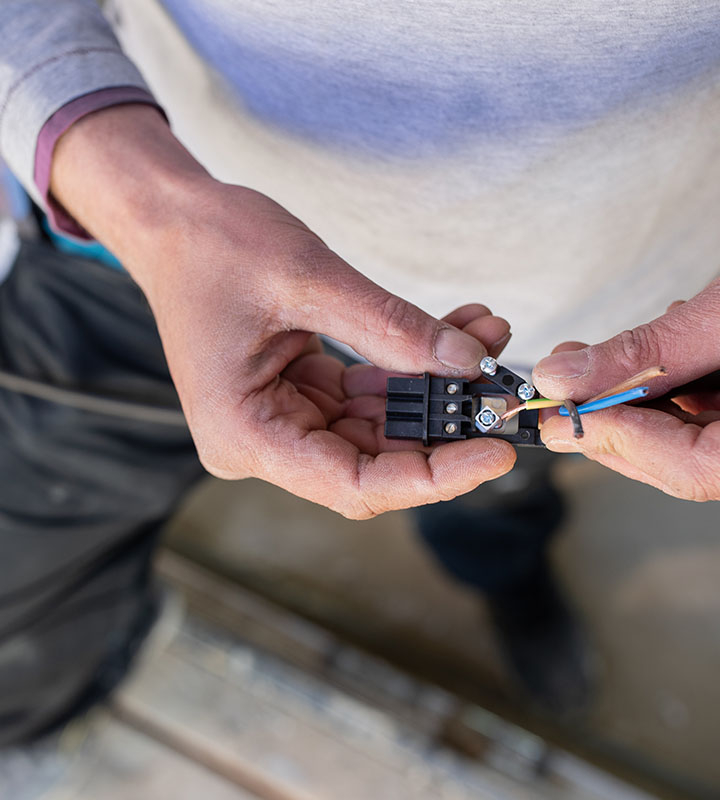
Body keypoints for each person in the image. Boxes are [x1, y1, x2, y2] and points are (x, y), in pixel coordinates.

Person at [1, 0, 718, 753]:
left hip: (588, 305)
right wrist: (146, 205)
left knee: (490, 487)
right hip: (165, 243)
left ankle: (504, 577)